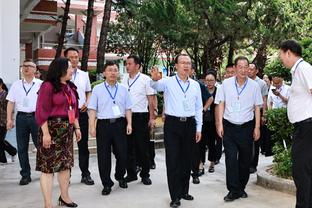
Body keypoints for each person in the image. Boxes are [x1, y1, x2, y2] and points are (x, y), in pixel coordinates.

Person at [150, 54, 202, 208]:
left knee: (187, 160)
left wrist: (199, 128)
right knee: (173, 161)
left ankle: (184, 191)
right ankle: (175, 196)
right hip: (172, 124)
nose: (186, 66)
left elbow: (198, 107)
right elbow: (155, 86)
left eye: (188, 63)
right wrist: (154, 79)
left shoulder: (195, 85)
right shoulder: (168, 82)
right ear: (176, 66)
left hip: (190, 124)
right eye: (183, 63)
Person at [215, 56, 263, 202]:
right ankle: (232, 190)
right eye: (240, 67)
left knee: (244, 160)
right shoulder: (226, 84)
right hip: (229, 126)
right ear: (235, 68)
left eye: (246, 67)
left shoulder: (254, 86)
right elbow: (220, 104)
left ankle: (241, 187)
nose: (243, 70)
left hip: (246, 127)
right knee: (230, 159)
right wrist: (219, 124)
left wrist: (257, 127)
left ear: (249, 68)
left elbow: (257, 107)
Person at [35, 57, 81, 208]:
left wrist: (77, 127)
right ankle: (48, 203)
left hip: (67, 130)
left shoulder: (70, 87)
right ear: (60, 69)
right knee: (48, 168)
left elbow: (73, 109)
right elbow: (41, 111)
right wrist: (46, 134)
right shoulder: (47, 86)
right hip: (51, 129)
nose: (72, 69)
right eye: (69, 67)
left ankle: (65, 197)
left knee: (65, 166)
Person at [89, 61, 132, 196]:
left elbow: (128, 108)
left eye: (115, 70)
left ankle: (120, 176)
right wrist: (92, 126)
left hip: (120, 124)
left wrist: (129, 124)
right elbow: (92, 109)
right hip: (103, 125)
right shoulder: (97, 89)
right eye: (110, 70)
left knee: (122, 155)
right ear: (104, 73)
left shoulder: (124, 89)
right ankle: (107, 183)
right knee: (104, 157)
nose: (113, 72)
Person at [279, 39, 312, 208]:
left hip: (307, 127)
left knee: (301, 171)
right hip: (303, 127)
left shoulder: (304, 68)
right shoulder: (298, 70)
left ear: (289, 52)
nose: (281, 59)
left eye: (281, 55)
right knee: (303, 170)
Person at [6, 59, 43, 185]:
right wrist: (9, 119)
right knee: (22, 147)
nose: (26, 68)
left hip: (36, 118)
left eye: (29, 66)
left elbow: (45, 103)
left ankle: (45, 170)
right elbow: (11, 102)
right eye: (24, 66)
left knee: (41, 146)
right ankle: (25, 175)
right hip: (21, 118)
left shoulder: (40, 84)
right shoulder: (16, 85)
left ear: (35, 69)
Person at [121, 55, 156, 185]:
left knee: (143, 147)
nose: (127, 66)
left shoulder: (146, 80)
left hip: (141, 116)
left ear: (137, 66)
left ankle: (145, 174)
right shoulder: (124, 79)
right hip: (126, 117)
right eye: (126, 64)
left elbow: (151, 100)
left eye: (130, 64)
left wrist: (152, 117)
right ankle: (131, 173)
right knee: (128, 147)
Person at [64, 47, 94, 185]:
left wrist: (87, 102)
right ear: (65, 59)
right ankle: (66, 175)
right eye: (71, 57)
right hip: (65, 116)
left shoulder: (84, 75)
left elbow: (88, 91)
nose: (74, 59)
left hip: (81, 114)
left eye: (76, 57)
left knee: (83, 146)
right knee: (66, 146)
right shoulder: (61, 75)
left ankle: (85, 174)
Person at [189, 65, 211, 184]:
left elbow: (210, 98)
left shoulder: (198, 85)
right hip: (180, 122)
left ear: (193, 71)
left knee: (196, 148)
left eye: (190, 68)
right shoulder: (175, 82)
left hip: (195, 120)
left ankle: (196, 171)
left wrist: (203, 109)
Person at [247, 63, 268, 174]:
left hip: (257, 113)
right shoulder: (244, 81)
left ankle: (253, 164)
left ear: (256, 71)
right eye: (248, 69)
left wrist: (264, 115)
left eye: (251, 69)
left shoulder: (262, 83)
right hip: (246, 113)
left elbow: (264, 100)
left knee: (256, 140)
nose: (249, 71)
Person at [200, 70, 219, 173]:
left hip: (213, 121)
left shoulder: (218, 91)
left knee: (212, 143)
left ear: (215, 81)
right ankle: (201, 164)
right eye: (207, 80)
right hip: (203, 120)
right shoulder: (202, 90)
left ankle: (212, 162)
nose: (209, 82)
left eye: (211, 80)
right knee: (201, 142)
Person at [0, 78, 17, 164]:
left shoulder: (6, 95)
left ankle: (11, 153)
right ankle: (10, 153)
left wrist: (11, 120)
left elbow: (11, 109)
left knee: (0, 140)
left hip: (3, 121)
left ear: (1, 84)